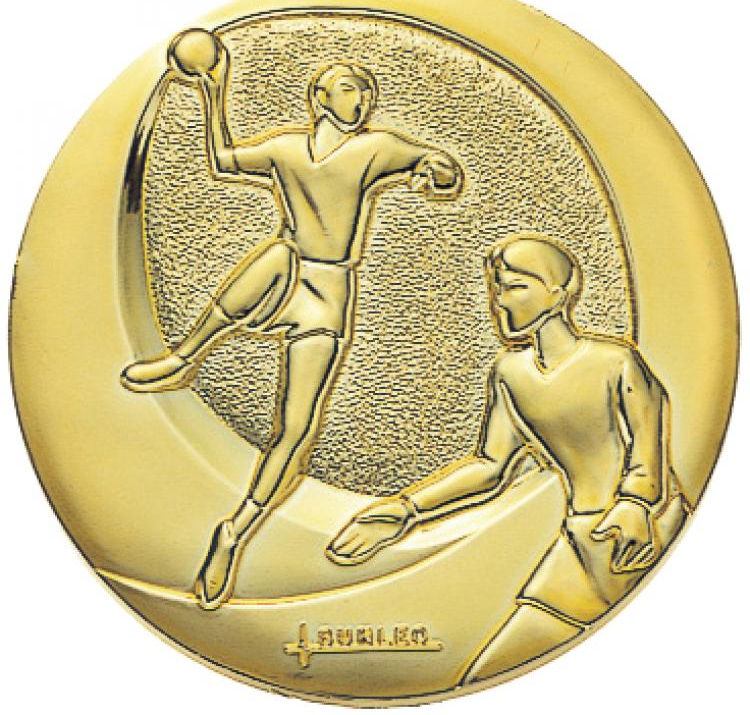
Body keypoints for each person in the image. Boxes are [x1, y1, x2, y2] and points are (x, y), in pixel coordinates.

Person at [120, 34, 464, 611]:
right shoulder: (284, 149)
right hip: (286, 268)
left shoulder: (375, 148)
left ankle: (236, 532)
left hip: (329, 292)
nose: (363, 99)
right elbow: (224, 161)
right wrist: (214, 89)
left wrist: (437, 171)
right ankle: (184, 359)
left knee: (296, 430)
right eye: (351, 88)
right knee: (278, 253)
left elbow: (437, 163)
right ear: (321, 97)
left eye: (367, 91)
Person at [327, 233, 690, 682]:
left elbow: (648, 441)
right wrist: (405, 510)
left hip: (646, 537)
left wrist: (636, 502)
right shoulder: (510, 372)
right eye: (497, 289)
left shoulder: (615, 361)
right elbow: (490, 468)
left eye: (516, 287)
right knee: (486, 672)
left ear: (560, 292)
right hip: (579, 545)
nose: (500, 301)